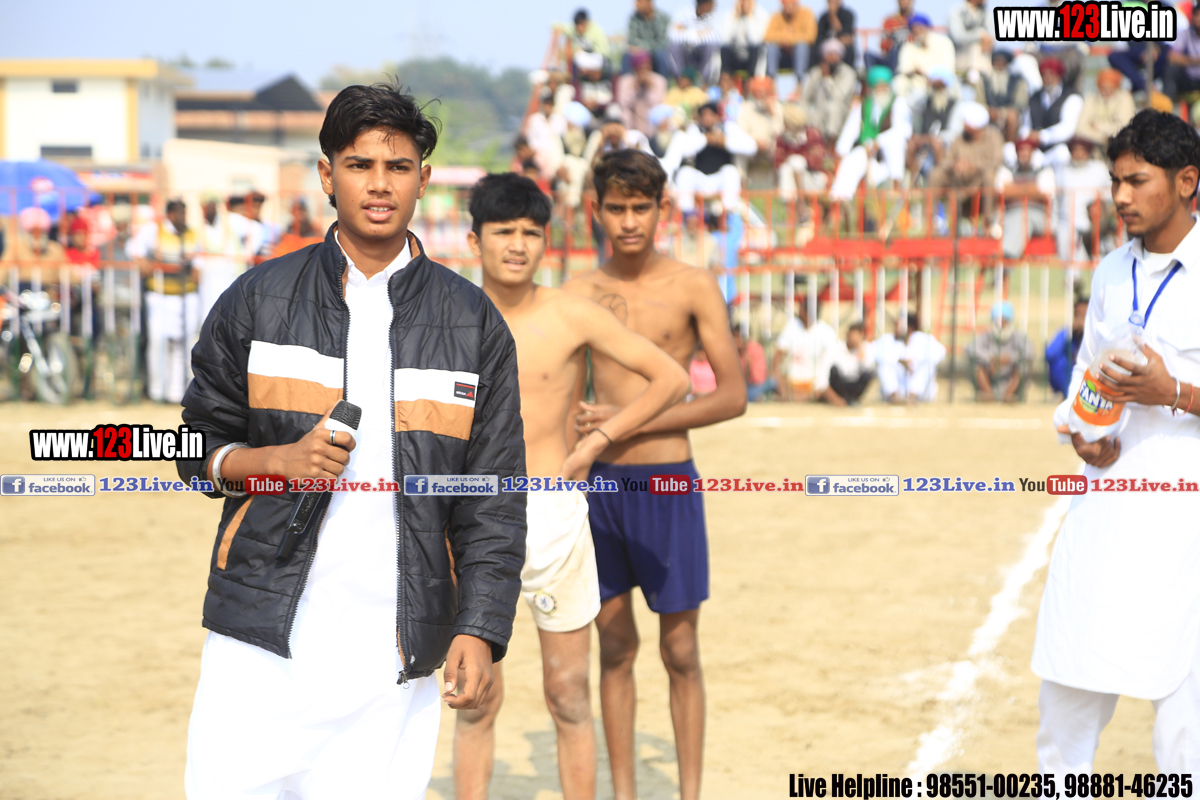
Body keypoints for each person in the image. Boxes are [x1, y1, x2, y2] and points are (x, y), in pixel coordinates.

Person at [177, 82, 527, 800]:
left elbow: (493, 496)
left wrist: (481, 626)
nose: (379, 184)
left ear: (423, 179)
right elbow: (193, 449)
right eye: (360, 164)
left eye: (398, 167)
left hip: (392, 653)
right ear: (326, 174)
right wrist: (274, 462)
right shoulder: (257, 299)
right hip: (260, 636)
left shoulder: (473, 322)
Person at [454, 173, 688, 800]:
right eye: (503, 231)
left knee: (567, 693)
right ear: (475, 240)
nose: (517, 245)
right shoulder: (446, 317)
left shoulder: (571, 313)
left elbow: (670, 378)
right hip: (468, 515)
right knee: (474, 697)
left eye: (531, 232)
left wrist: (596, 441)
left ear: (546, 242)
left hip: (554, 514)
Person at [562, 149, 748, 800]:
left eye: (641, 207)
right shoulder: (578, 293)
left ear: (663, 208)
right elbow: (563, 400)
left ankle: (689, 794)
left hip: (668, 484)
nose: (629, 221)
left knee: (681, 651)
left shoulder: (694, 285)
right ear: (596, 210)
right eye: (617, 208)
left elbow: (732, 395)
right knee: (614, 649)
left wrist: (627, 421)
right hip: (599, 489)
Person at [1034, 108, 1200, 780]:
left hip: (1186, 527)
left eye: (1137, 181)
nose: (1121, 196)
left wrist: (1176, 393)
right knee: (1065, 706)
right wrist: (1084, 434)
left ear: (1187, 181)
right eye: (1116, 182)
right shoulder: (1108, 272)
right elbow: (1085, 379)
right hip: (1103, 511)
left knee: (1184, 737)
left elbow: (1169, 393)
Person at [126, 198, 200, 404]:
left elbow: (198, 262)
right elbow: (133, 248)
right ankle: (157, 390)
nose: (182, 217)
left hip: (186, 295)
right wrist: (143, 261)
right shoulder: (154, 230)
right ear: (170, 214)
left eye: (184, 213)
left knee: (183, 343)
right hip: (159, 295)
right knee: (158, 342)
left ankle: (177, 391)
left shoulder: (191, 233)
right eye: (179, 213)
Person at [662, 101, 758, 220]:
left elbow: (752, 147)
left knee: (731, 171)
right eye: (704, 115)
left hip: (720, 179)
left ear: (717, 116)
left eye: (710, 115)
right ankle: (688, 215)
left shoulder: (728, 127)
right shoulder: (695, 129)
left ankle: (728, 215)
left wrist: (725, 142)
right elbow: (686, 150)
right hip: (700, 178)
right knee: (685, 173)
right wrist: (706, 139)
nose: (707, 118)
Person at [830, 67, 913, 202]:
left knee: (896, 142)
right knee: (851, 161)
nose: (881, 90)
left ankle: (895, 187)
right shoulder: (865, 105)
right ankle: (840, 200)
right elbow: (850, 131)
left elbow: (903, 130)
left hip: (889, 155)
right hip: (868, 152)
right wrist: (841, 151)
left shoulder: (898, 103)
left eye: (884, 87)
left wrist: (878, 142)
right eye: (878, 87)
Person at [928, 102, 1004, 224]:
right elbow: (946, 161)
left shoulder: (993, 136)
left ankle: (988, 222)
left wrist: (974, 166)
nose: (964, 125)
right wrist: (955, 164)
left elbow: (997, 161)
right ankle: (930, 221)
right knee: (936, 174)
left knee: (989, 176)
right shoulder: (961, 138)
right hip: (959, 180)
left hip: (980, 178)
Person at [996, 135, 1056, 260]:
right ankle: (1006, 259)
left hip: (1039, 217)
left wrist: (1015, 189)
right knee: (1019, 216)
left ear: (1033, 152)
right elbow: (1003, 192)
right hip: (1010, 216)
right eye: (1021, 150)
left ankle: (1005, 256)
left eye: (1028, 150)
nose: (1024, 154)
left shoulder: (1044, 170)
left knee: (1024, 215)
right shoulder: (1006, 169)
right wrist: (1031, 189)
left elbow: (1045, 194)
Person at [771, 299, 842, 403]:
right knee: (775, 381)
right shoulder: (792, 326)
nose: (798, 311)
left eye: (801, 309)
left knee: (826, 391)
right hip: (791, 382)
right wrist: (776, 373)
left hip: (815, 382)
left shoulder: (826, 332)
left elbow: (833, 359)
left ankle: (805, 397)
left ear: (807, 313)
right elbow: (779, 353)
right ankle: (807, 397)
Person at [964, 300, 1035, 402]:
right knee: (976, 364)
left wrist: (1009, 359)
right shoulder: (986, 336)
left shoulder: (1019, 337)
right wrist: (990, 359)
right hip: (991, 376)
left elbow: (1030, 352)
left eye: (1004, 322)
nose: (1001, 326)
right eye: (998, 322)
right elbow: (970, 348)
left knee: (1024, 366)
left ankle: (1009, 396)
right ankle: (988, 395)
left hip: (1010, 378)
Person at [1020, 57, 1082, 173]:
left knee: (1062, 154)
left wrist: (1042, 136)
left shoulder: (1071, 97)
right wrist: (1027, 137)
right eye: (1044, 74)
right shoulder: (1034, 97)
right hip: (1036, 150)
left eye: (1051, 74)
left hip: (1057, 148)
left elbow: (1067, 129)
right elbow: (1025, 124)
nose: (1048, 78)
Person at [1057, 137, 1112, 262]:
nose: (1078, 154)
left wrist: (1098, 204)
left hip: (1094, 221)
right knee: (1070, 259)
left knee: (1099, 257)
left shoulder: (1099, 168)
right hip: (1068, 222)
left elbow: (1110, 194)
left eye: (1082, 150)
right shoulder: (1063, 170)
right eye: (1075, 150)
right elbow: (1057, 199)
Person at [907, 67, 964, 184]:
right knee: (911, 143)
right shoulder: (925, 101)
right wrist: (926, 86)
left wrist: (934, 139)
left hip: (945, 147)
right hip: (924, 146)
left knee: (937, 144)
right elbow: (910, 103)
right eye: (935, 87)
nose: (938, 90)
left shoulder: (955, 105)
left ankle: (941, 183)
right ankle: (913, 185)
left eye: (941, 86)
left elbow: (953, 133)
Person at [871, 312, 946, 402]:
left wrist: (914, 362)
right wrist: (898, 360)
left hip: (920, 390)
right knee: (884, 365)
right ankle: (894, 396)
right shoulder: (888, 339)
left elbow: (940, 353)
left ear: (909, 327)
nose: (895, 328)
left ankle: (912, 397)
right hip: (898, 388)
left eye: (899, 325)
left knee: (927, 365)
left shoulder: (923, 339)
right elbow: (872, 352)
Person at [800, 38, 858, 142]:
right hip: (818, 111)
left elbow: (838, 97)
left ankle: (831, 145)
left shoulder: (848, 73)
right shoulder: (816, 72)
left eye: (836, 54)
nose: (833, 57)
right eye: (830, 54)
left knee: (833, 108)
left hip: (840, 112)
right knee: (807, 112)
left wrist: (827, 78)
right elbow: (806, 97)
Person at [894, 14, 957, 102]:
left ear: (927, 28)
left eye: (920, 28)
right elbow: (904, 69)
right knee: (899, 82)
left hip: (942, 85)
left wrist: (931, 78)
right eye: (914, 30)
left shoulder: (944, 42)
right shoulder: (908, 47)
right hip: (918, 88)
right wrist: (916, 73)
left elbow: (949, 68)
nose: (917, 32)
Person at [1074, 69, 1136, 150]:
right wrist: (1102, 138)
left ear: (1116, 86)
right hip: (1093, 145)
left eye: (1110, 88)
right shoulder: (1091, 98)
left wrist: (1098, 126)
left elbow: (1124, 126)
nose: (1106, 91)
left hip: (1119, 146)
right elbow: (1080, 128)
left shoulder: (1125, 98)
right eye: (1102, 87)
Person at [977, 49, 1029, 142]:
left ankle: (1009, 144)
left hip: (1007, 113)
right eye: (996, 62)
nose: (999, 65)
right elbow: (979, 100)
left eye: (1002, 62)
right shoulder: (984, 80)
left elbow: (1019, 103)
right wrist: (988, 111)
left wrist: (1001, 112)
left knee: (1012, 116)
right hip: (988, 113)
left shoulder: (1017, 80)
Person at [616, 51, 669, 137]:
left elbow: (658, 104)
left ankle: (653, 140)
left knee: (659, 114)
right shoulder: (625, 81)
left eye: (647, 65)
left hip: (650, 118)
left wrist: (650, 87)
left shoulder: (660, 80)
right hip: (633, 117)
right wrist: (634, 88)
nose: (644, 69)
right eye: (641, 66)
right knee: (624, 114)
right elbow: (623, 104)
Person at [669, 0, 723, 83]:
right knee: (673, 47)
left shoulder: (715, 14)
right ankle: (680, 79)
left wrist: (685, 31)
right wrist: (698, 33)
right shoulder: (684, 12)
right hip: (685, 52)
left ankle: (703, 81)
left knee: (711, 47)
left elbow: (717, 37)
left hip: (701, 53)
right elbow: (672, 35)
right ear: (705, 5)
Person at [763, 0, 818, 83]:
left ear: (796, 4)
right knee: (771, 48)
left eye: (792, 5)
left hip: (799, 55)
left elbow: (811, 36)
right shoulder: (777, 16)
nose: (789, 8)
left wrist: (790, 40)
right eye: (786, 5)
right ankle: (771, 82)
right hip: (782, 55)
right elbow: (768, 36)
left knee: (801, 46)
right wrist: (784, 39)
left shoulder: (806, 14)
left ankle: (799, 84)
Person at [1045, 295, 1088, 397]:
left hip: (1089, 384)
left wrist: (1087, 333)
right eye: (1078, 314)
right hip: (1068, 382)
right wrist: (1068, 333)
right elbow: (1050, 354)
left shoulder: (1096, 336)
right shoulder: (1067, 334)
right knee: (1059, 361)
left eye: (1084, 315)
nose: (1081, 319)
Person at [719, 0, 770, 76]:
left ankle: (752, 79)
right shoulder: (730, 14)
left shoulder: (761, 14)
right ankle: (726, 78)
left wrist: (748, 16)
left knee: (755, 49)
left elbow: (755, 40)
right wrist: (735, 18)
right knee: (725, 50)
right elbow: (725, 39)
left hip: (753, 57)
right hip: (736, 55)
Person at [829, 321, 875, 403]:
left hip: (855, 384)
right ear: (848, 334)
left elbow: (869, 369)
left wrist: (861, 353)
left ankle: (852, 398)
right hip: (841, 383)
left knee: (867, 374)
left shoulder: (866, 348)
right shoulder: (838, 347)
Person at [627, 0, 673, 76]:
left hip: (657, 52)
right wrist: (639, 49)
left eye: (639, 1)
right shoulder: (633, 19)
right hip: (639, 52)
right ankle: (627, 83)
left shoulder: (664, 18)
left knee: (661, 54)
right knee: (626, 55)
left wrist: (643, 48)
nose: (636, 4)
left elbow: (663, 41)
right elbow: (632, 40)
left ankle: (663, 81)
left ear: (649, 2)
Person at [865, 0, 914, 72]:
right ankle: (872, 77)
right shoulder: (890, 20)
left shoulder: (917, 21)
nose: (903, 2)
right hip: (890, 57)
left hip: (909, 57)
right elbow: (883, 45)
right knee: (867, 55)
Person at [947, 0, 994, 75]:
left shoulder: (986, 12)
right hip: (960, 58)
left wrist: (986, 39)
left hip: (982, 60)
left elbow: (991, 36)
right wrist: (979, 35)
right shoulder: (956, 11)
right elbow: (957, 37)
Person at [733, 324, 774, 400]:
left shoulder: (755, 349)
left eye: (739, 337)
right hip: (741, 389)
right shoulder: (732, 352)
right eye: (734, 337)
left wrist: (748, 366)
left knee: (773, 382)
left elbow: (758, 379)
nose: (736, 340)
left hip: (756, 385)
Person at [812, 0, 856, 71]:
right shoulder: (823, 17)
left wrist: (833, 16)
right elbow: (820, 36)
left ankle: (850, 71)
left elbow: (845, 35)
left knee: (849, 50)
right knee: (814, 49)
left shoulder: (848, 15)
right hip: (826, 46)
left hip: (841, 46)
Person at [1166, 4, 1200, 96]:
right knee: (1171, 68)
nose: (1198, 19)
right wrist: (1195, 60)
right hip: (1189, 79)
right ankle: (1167, 101)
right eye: (1196, 15)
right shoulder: (1185, 34)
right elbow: (1172, 57)